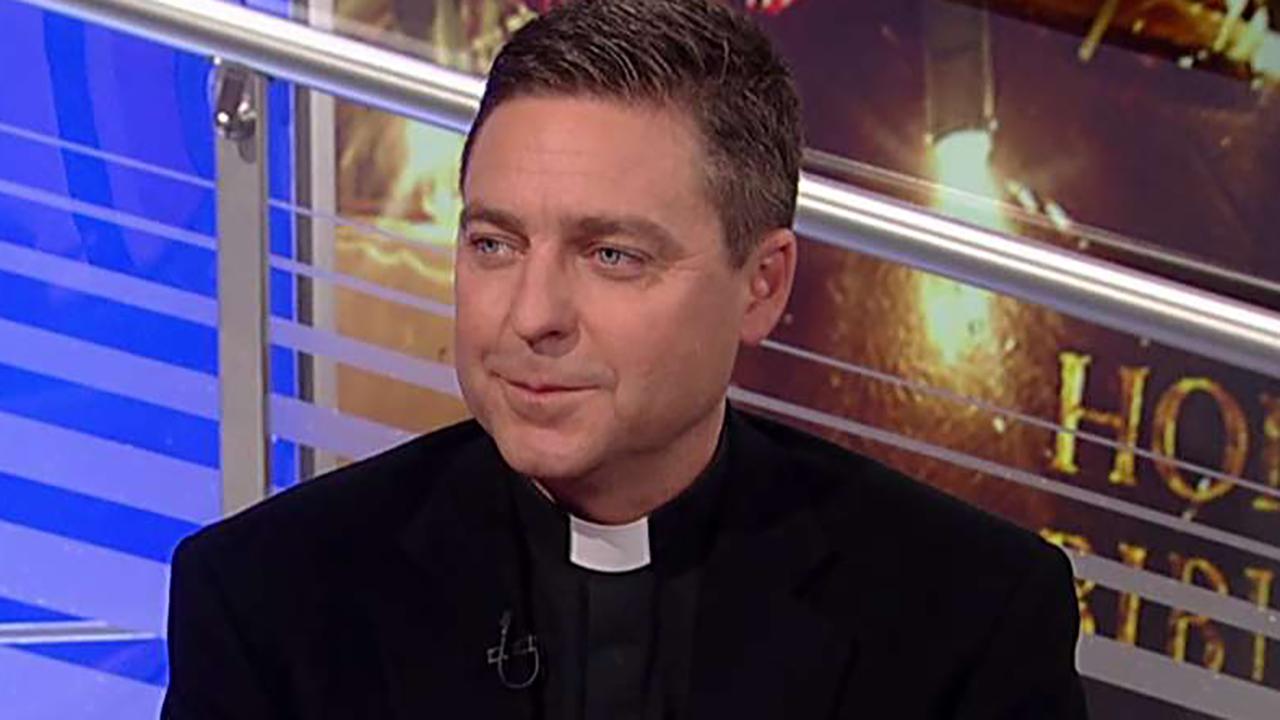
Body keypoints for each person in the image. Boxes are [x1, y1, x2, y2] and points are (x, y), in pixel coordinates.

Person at [161, 0, 1087, 717]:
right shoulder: (269, 599)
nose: (532, 316)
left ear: (762, 285)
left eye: (612, 255)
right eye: (494, 244)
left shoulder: (967, 618)